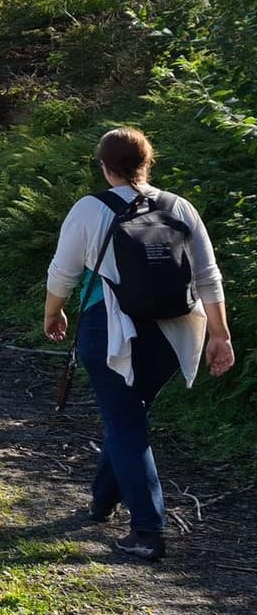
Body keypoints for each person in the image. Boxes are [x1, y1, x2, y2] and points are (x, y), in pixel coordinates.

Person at [44, 127, 235, 561]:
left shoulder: (90, 209)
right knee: (128, 414)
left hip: (110, 332)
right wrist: (219, 335)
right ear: (149, 161)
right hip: (174, 333)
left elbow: (62, 273)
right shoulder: (179, 206)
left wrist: (52, 313)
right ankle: (101, 501)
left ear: (104, 165)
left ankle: (148, 532)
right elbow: (208, 276)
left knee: (125, 422)